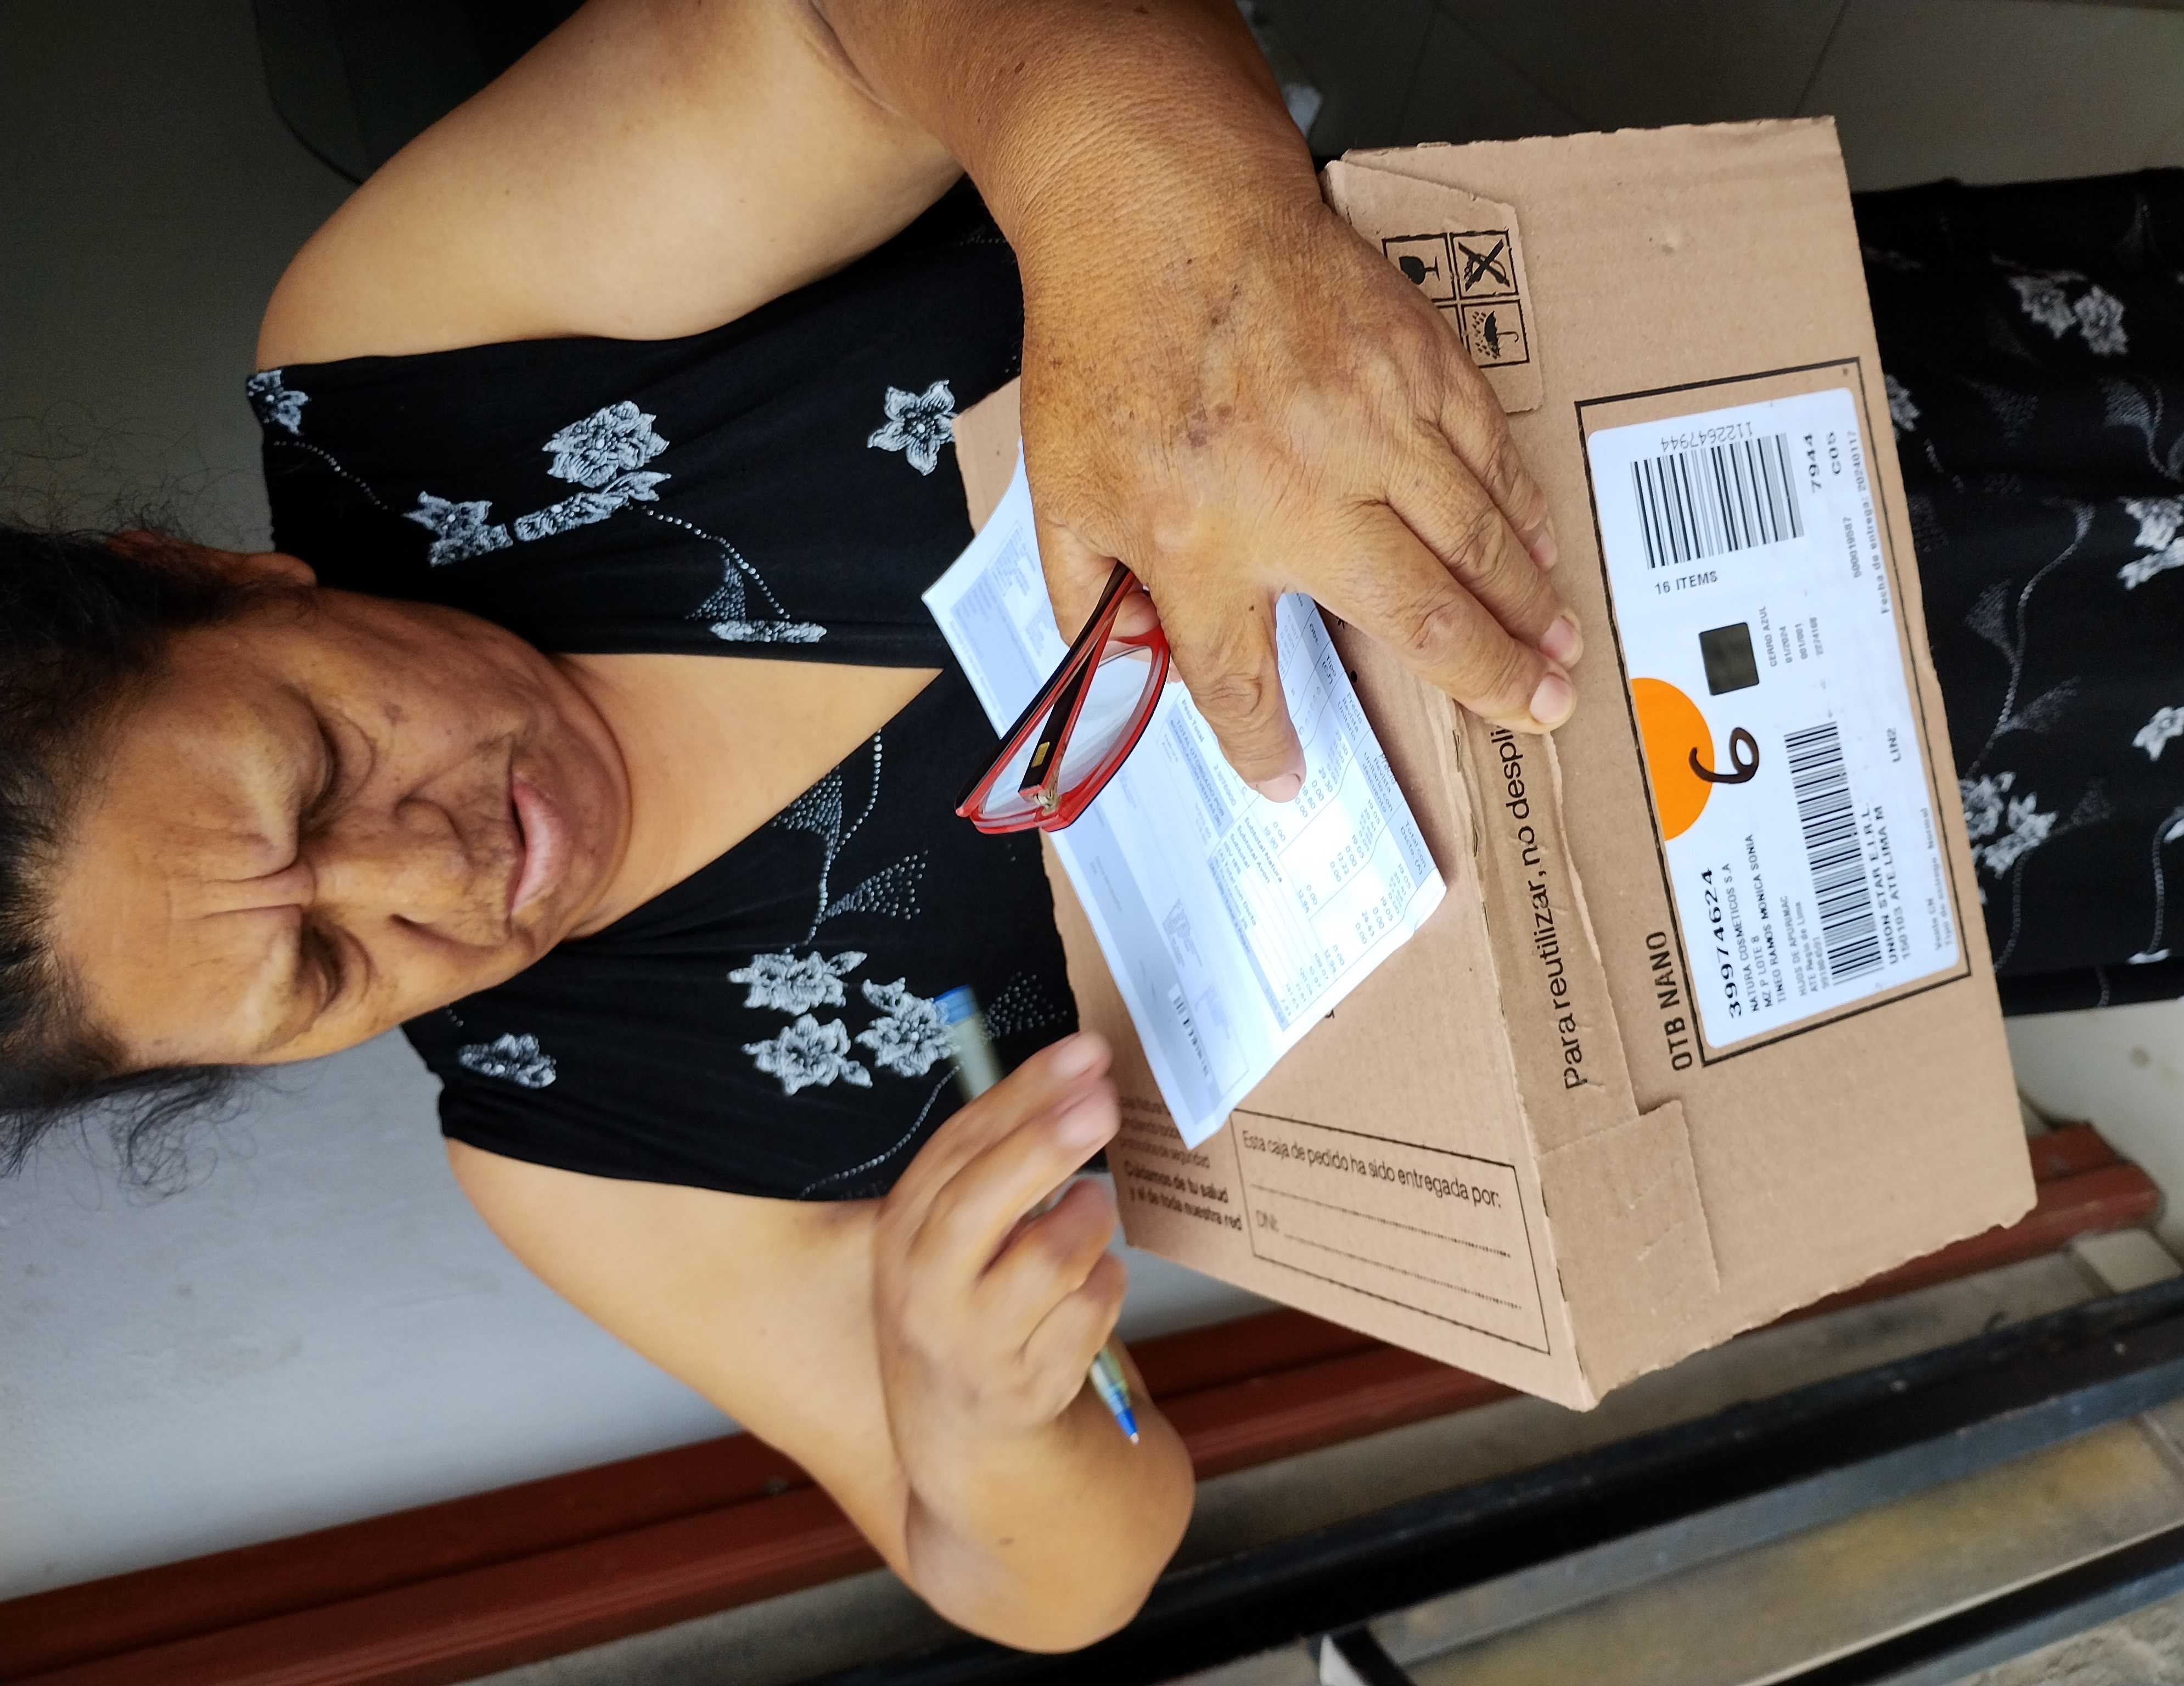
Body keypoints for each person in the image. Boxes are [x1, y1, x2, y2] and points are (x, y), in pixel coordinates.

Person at [0, 0, 1579, 1651]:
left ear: (210, 580)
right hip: (1621, 925)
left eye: (320, 768)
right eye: (326, 969)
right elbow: (1058, 1578)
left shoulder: (415, 372)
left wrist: (1167, 243)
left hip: (1540, 419)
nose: (441, 876)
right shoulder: (589, 1145)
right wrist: (980, 1430)